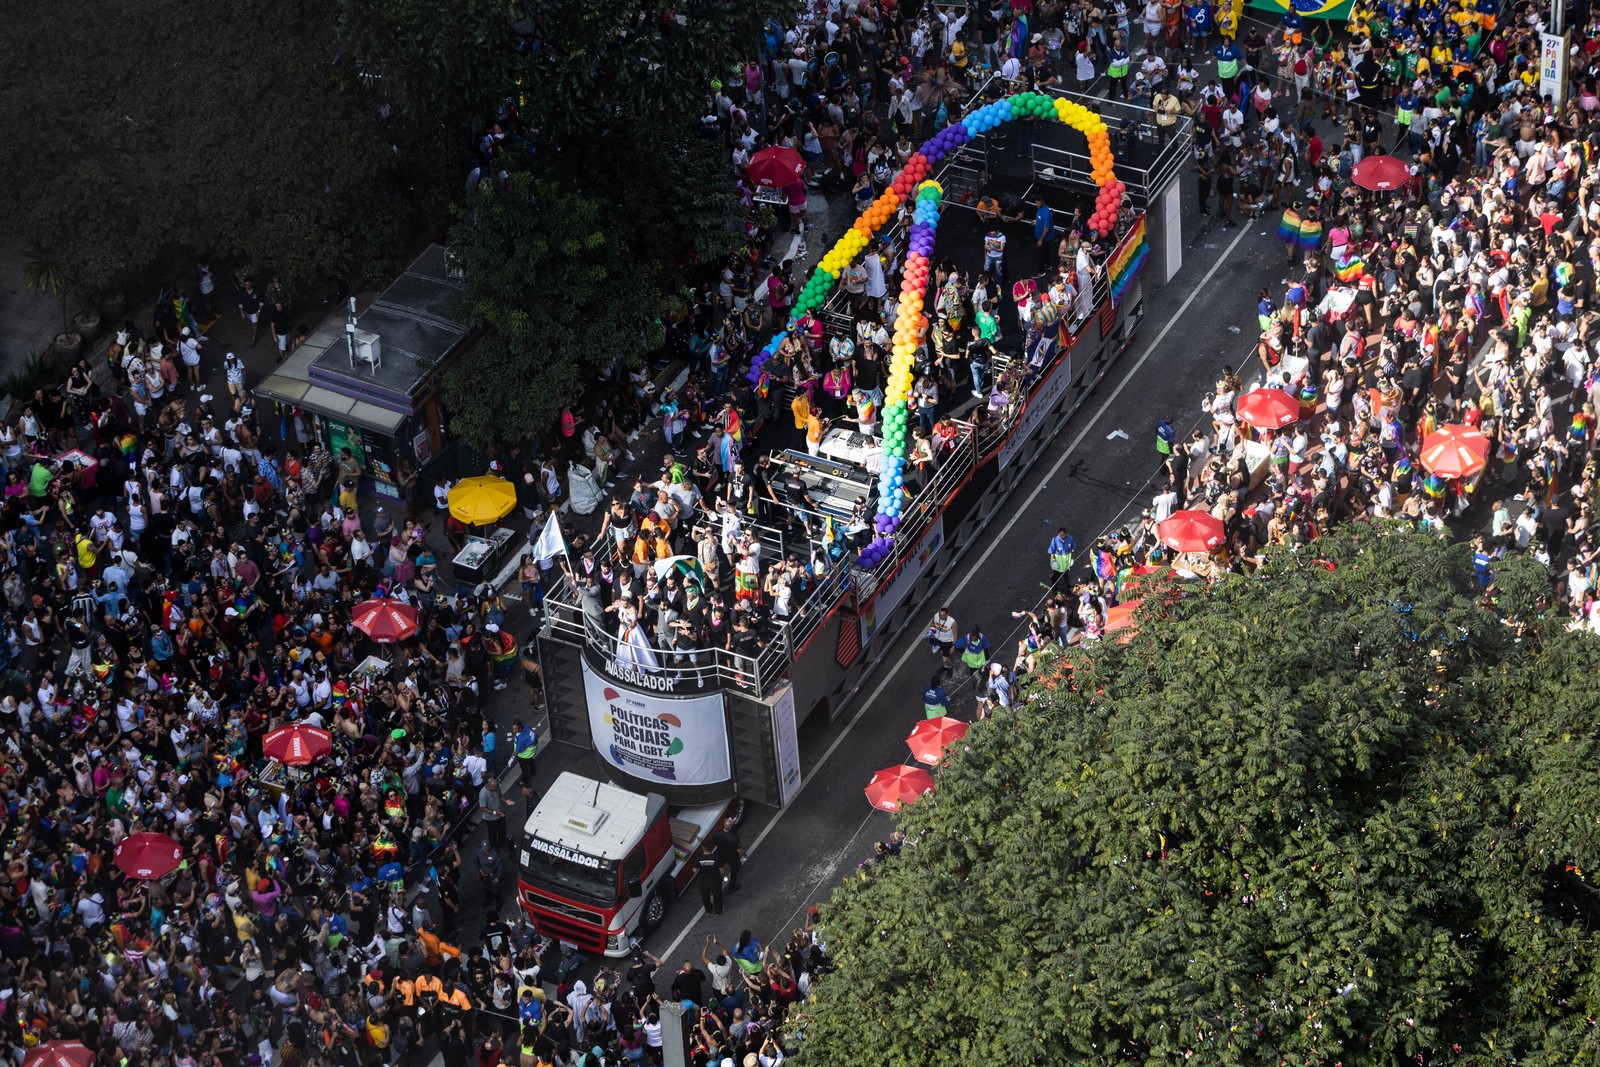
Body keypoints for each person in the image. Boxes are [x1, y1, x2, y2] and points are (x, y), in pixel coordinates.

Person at [711, 816, 745, 893]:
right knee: (734, 870)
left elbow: (712, 843)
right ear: (730, 828)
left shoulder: (717, 834)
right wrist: (744, 855)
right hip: (732, 857)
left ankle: (722, 875)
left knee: (720, 867)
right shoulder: (733, 838)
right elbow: (739, 850)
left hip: (721, 854)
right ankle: (732, 887)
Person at [693, 845, 724, 915]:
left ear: (703, 849)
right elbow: (722, 869)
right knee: (717, 896)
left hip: (703, 881)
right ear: (711, 848)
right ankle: (718, 911)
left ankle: (708, 911)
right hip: (715, 880)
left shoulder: (699, 858)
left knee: (705, 896)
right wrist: (725, 874)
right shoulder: (716, 858)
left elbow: (694, 870)